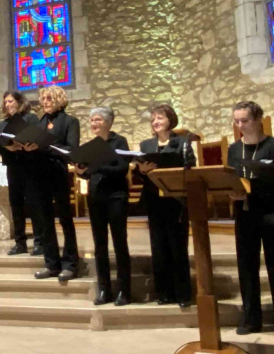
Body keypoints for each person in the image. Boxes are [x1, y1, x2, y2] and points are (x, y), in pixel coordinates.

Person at [227, 101, 274, 338]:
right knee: (246, 268)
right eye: (236, 121)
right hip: (244, 213)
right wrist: (232, 191)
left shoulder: (273, 145)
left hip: (271, 211)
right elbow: (230, 176)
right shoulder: (234, 148)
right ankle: (251, 318)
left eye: (244, 120)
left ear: (258, 120)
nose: (240, 125)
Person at [135, 104, 192, 308]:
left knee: (178, 247)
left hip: (175, 200)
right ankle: (164, 293)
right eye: (153, 119)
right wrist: (142, 170)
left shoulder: (182, 142)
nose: (156, 122)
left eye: (160, 118)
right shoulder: (145, 145)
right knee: (158, 248)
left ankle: (183, 294)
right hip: (154, 201)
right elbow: (137, 175)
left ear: (170, 120)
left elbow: (189, 167)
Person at [28, 86, 81, 281]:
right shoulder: (41, 122)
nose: (45, 102)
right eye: (43, 99)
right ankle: (51, 263)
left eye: (49, 98)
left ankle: (71, 264)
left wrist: (48, 147)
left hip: (58, 173)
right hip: (39, 174)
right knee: (44, 221)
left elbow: (71, 149)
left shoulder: (70, 121)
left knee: (65, 219)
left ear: (59, 99)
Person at [79, 107, 131, 305]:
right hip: (96, 197)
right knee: (99, 245)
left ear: (108, 122)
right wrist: (81, 170)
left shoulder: (120, 142)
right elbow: (87, 172)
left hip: (116, 196)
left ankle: (124, 291)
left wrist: (96, 165)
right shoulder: (91, 145)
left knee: (119, 243)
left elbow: (122, 168)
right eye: (92, 120)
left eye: (98, 120)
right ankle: (104, 290)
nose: (94, 123)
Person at [0, 91, 41, 256]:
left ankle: (39, 242)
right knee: (16, 205)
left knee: (33, 204)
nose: (8, 105)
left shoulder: (31, 118)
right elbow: (3, 146)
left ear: (19, 102)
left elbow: (38, 139)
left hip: (31, 165)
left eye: (10, 101)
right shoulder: (4, 124)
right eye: (6, 102)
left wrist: (23, 145)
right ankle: (20, 242)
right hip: (13, 167)